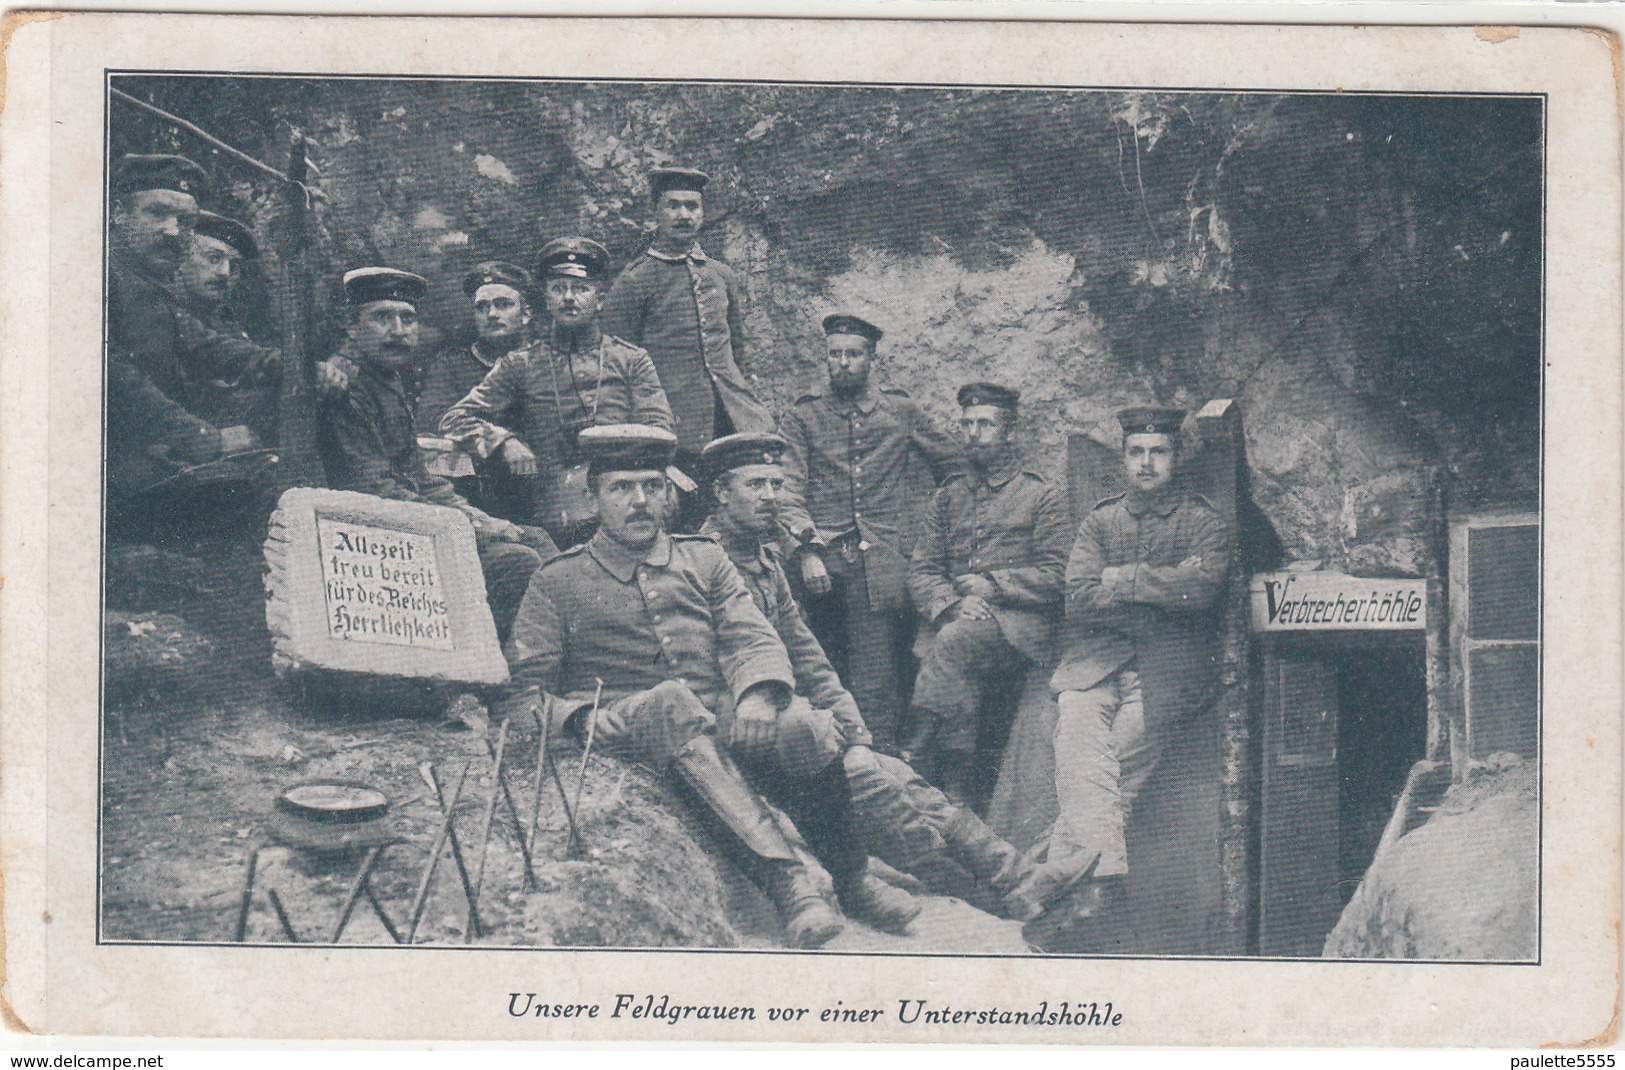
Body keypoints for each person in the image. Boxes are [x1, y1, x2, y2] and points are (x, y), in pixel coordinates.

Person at [501, 424, 920, 948]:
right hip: (633, 724)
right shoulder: (555, 581)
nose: (639, 501)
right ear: (593, 497)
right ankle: (788, 883)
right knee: (670, 702)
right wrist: (579, 717)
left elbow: (753, 636)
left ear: (669, 494)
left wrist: (757, 694)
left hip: (716, 716)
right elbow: (523, 698)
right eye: (621, 488)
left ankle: (852, 878)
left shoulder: (703, 559)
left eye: (652, 486)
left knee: (802, 726)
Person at [699, 431, 1032, 918]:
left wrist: (854, 733)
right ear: (722, 493)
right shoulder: (699, 562)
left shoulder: (766, 560)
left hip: (795, 733)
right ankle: (984, 896)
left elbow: (809, 657)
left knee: (894, 771)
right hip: (750, 739)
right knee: (866, 778)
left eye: (777, 483)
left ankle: (1013, 872)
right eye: (756, 485)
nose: (771, 497)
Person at [1015, 406, 1234, 950]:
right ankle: (1102, 879)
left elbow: (1203, 591)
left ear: (1175, 458)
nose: (1146, 463)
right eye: (1136, 452)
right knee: (1084, 747)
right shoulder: (1099, 521)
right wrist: (1161, 591)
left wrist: (1126, 579)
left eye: (1158, 451)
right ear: (1123, 458)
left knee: (1101, 767)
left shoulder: (1204, 521)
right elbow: (1079, 597)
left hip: (1167, 671)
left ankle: (1049, 885)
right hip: (1095, 662)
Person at [315, 266, 555, 640]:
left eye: (407, 318)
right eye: (383, 317)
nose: (398, 330)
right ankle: (499, 668)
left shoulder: (386, 377)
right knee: (517, 560)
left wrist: (473, 514)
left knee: (534, 537)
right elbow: (375, 489)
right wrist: (475, 525)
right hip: (371, 538)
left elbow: (418, 474)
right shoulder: (349, 387)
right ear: (351, 326)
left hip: (410, 519)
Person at [778, 312, 965, 746]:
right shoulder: (803, 416)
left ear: (872, 358)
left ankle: (878, 756)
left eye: (853, 354)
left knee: (876, 672)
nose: (843, 363)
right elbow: (788, 489)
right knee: (809, 657)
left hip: (880, 560)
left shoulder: (900, 411)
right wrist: (806, 547)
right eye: (835, 354)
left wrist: (935, 530)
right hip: (819, 556)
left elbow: (954, 468)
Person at [901, 383, 1072, 803]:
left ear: (1010, 433)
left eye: (985, 425)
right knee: (952, 645)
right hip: (960, 622)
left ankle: (916, 754)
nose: (973, 433)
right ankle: (958, 787)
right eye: (967, 424)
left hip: (1021, 629)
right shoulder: (949, 495)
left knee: (953, 643)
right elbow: (922, 568)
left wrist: (993, 585)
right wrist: (955, 602)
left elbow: (1061, 573)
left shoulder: (1041, 493)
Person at [442, 238, 673, 547]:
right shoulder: (521, 364)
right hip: (557, 509)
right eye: (558, 288)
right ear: (546, 300)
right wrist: (503, 440)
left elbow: (660, 432)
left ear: (600, 299)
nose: (568, 298)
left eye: (580, 288)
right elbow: (455, 418)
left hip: (627, 497)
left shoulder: (631, 359)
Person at [106, 155, 281, 529]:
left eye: (184, 222)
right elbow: (115, 378)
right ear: (118, 214)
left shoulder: (147, 287)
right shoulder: (99, 276)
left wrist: (295, 367)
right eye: (157, 213)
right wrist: (208, 440)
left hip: (144, 470)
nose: (172, 231)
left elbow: (209, 348)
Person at [600, 166, 774, 503]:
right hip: (675, 428)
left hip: (734, 417)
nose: (684, 215)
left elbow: (736, 350)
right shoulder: (635, 281)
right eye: (673, 205)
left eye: (692, 206)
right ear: (655, 213)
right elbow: (617, 365)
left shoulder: (720, 275)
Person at [413, 261, 538, 520]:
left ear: (526, 314)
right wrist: (501, 440)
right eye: (482, 307)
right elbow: (434, 418)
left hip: (543, 487)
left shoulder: (547, 361)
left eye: (503, 304)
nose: (492, 314)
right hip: (479, 494)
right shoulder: (452, 364)